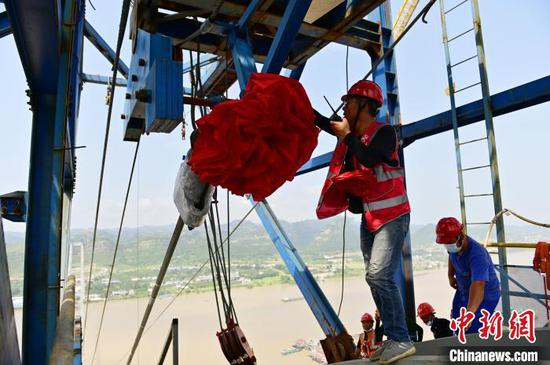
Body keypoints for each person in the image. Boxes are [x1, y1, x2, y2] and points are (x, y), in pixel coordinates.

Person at [315, 80, 415, 364]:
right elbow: (326, 124)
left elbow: (370, 158)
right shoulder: (354, 135)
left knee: (379, 276)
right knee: (373, 278)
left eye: (349, 103)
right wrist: (299, 108)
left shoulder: (384, 132)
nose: (344, 107)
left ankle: (401, 339)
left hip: (393, 216)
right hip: (371, 218)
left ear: (364, 106)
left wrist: (346, 136)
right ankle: (394, 339)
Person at [435, 217, 501, 334]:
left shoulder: (477, 254)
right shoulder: (455, 247)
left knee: (472, 330)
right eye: (446, 243)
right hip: (464, 289)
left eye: (449, 243)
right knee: (456, 324)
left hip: (485, 294)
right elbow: (451, 255)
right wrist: (450, 275)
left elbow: (479, 284)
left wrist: (469, 314)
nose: (448, 246)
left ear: (460, 236)